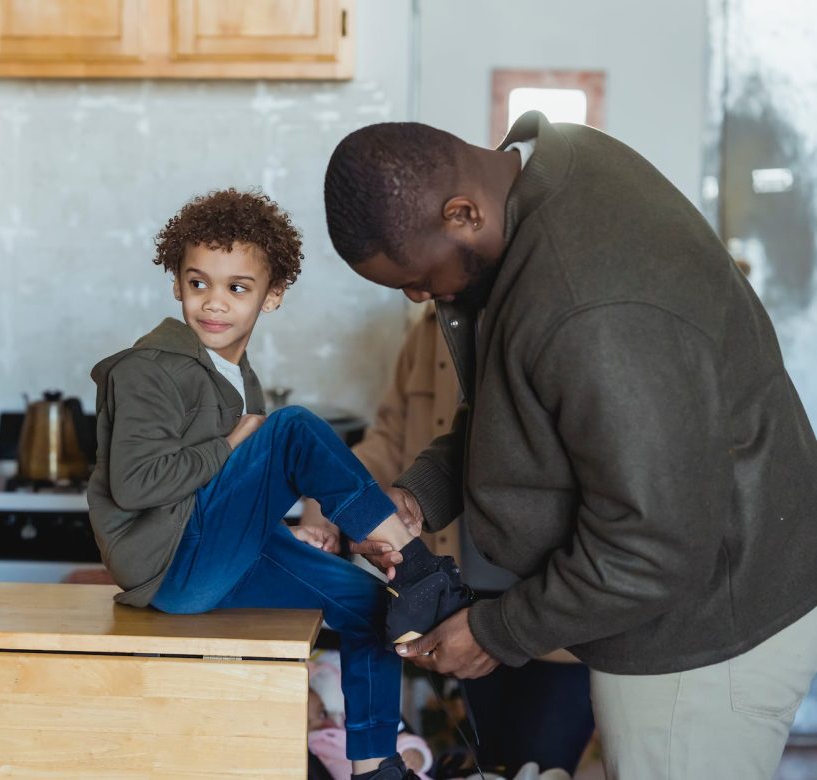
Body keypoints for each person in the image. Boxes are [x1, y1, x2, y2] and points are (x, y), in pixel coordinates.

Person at [321, 113, 817, 779]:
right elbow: (532, 414)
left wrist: (497, 632)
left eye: (415, 277)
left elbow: (651, 547)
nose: (416, 296)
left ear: (463, 213)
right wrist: (421, 492)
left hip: (705, 635)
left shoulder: (591, 307)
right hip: (695, 588)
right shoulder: (560, 163)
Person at [86, 188, 471, 780]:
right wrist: (235, 443)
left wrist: (302, 527)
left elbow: (235, 494)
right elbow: (136, 483)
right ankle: (418, 566)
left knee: (376, 608)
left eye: (238, 287)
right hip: (169, 565)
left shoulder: (240, 381)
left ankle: (374, 765)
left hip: (219, 556)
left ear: (273, 296)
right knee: (292, 428)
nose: (214, 303)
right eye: (198, 283)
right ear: (176, 285)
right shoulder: (148, 369)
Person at [300, 308, 595, 776]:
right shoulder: (431, 330)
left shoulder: (549, 321)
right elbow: (390, 438)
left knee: (541, 761)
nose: (414, 292)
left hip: (554, 600)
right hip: (466, 597)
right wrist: (325, 495)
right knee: (492, 757)